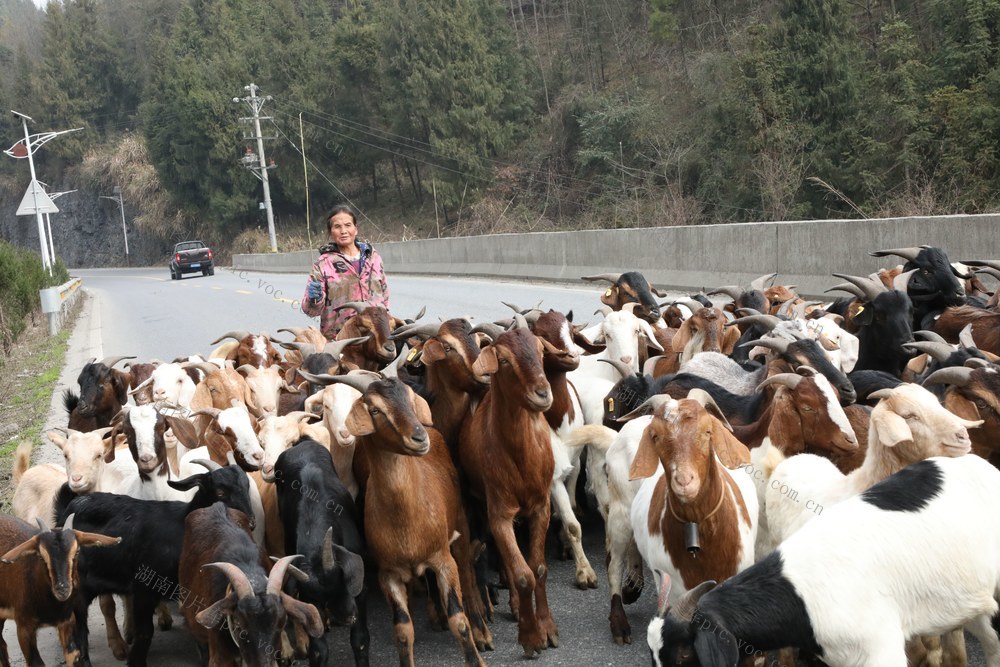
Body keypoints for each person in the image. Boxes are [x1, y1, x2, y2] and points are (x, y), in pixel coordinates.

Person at [301, 205, 390, 340]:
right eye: (337, 227)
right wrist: (315, 299)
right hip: (340, 340)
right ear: (330, 232)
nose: (343, 231)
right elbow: (310, 311)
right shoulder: (323, 264)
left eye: (348, 225)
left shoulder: (373, 257)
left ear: (355, 229)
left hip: (375, 337)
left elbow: (385, 297)